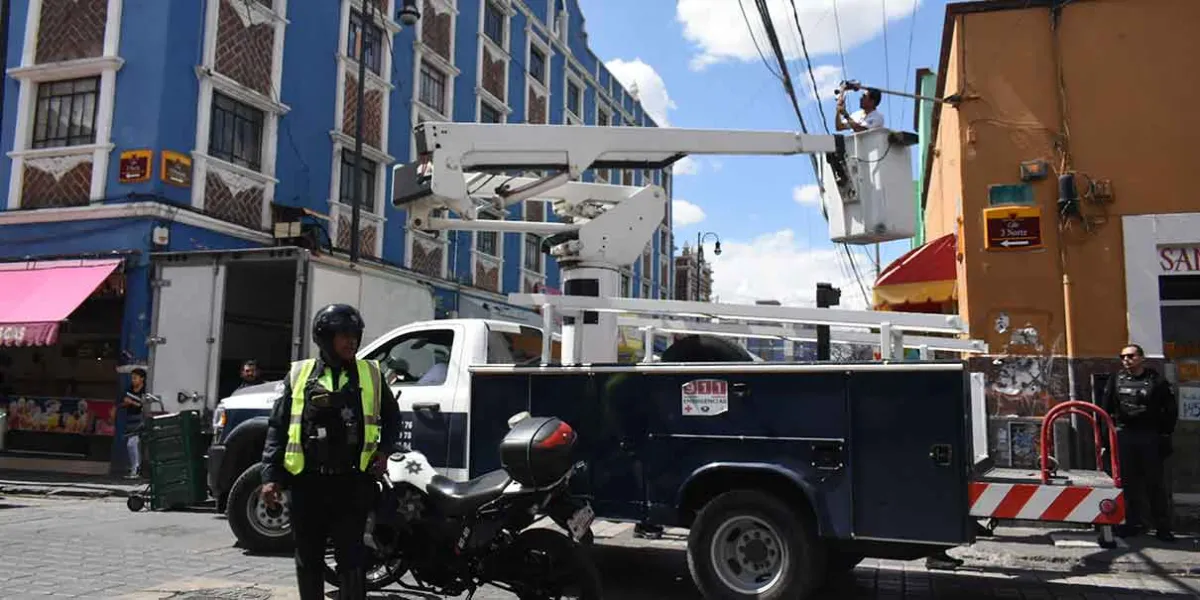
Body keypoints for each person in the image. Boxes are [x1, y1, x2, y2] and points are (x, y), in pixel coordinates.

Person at [259, 304, 401, 599]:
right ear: (325, 338)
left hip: (352, 484)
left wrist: (384, 451)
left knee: (352, 558)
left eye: (355, 335)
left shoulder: (371, 374)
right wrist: (270, 476)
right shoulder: (299, 374)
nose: (352, 342)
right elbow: (278, 426)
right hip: (307, 484)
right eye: (344, 335)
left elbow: (393, 418)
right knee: (308, 557)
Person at [1102, 343, 1177, 542]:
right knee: (1127, 483)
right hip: (1124, 434)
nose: (1126, 360)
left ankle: (1162, 527)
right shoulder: (1116, 380)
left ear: (1142, 358)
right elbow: (1106, 410)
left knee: (1155, 483)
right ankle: (1131, 523)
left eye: (1131, 356)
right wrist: (1105, 441)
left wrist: (1164, 435)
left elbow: (1170, 410)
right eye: (1123, 356)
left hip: (1149, 435)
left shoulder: (1156, 380)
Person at [122, 368, 147, 479]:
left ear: (142, 379)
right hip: (131, 418)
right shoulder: (129, 389)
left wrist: (132, 402)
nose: (133, 380)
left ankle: (136, 468)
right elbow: (123, 403)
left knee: (133, 443)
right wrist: (126, 403)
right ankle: (134, 467)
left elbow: (143, 405)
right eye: (132, 378)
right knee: (131, 444)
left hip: (141, 418)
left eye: (135, 378)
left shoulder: (146, 390)